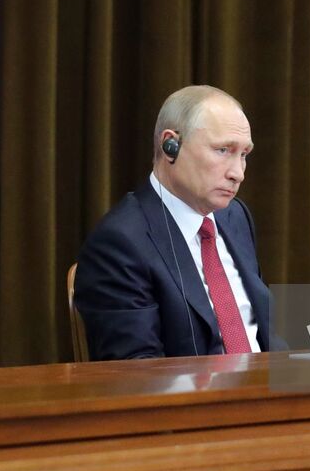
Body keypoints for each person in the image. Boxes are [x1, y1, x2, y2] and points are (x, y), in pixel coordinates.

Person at [74, 86, 272, 359]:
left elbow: (263, 334)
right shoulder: (119, 243)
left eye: (244, 155)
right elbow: (137, 373)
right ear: (171, 146)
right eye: (223, 150)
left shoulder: (235, 216)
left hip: (269, 389)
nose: (237, 173)